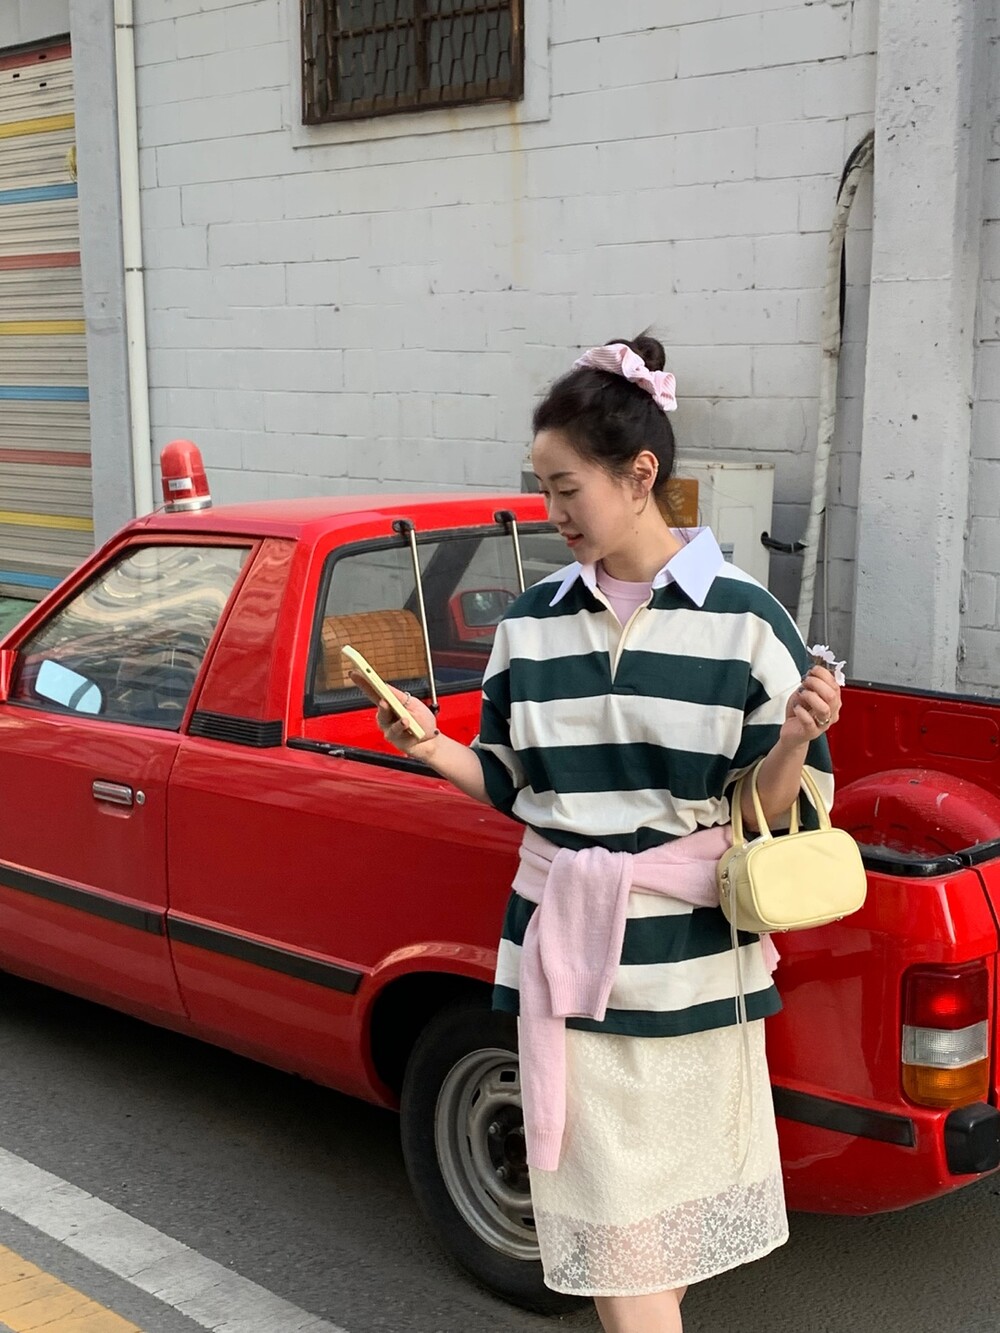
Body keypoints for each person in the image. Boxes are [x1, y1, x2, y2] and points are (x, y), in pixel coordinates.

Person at [365, 336, 841, 1333]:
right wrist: (434, 747)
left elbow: (775, 813)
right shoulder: (530, 623)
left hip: (694, 972)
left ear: (639, 474)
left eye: (566, 487)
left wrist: (796, 738)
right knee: (618, 1239)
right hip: (566, 963)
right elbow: (513, 781)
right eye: (541, 488)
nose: (553, 511)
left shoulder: (747, 620)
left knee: (654, 1236)